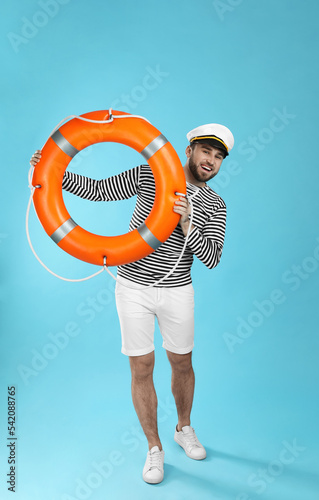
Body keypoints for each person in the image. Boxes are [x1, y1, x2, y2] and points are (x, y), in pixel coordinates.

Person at [30, 122, 234, 484]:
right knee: (141, 367)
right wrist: (52, 169)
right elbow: (97, 190)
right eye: (206, 151)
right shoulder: (149, 172)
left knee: (181, 363)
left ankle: (183, 428)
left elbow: (212, 256)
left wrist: (188, 222)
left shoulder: (216, 204)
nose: (211, 161)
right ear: (189, 151)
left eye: (218, 157)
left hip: (177, 289)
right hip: (133, 286)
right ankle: (154, 448)